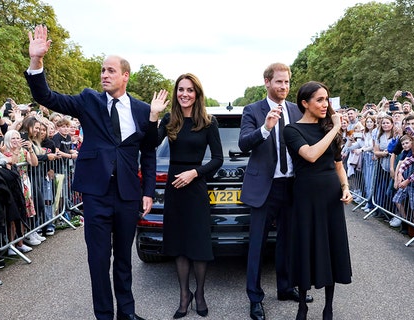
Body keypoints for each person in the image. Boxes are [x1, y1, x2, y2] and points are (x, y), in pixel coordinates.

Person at [25, 25, 163, 320]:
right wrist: (36, 62)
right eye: (102, 70)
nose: (104, 74)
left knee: (124, 260)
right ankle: (104, 316)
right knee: (99, 261)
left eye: (111, 70)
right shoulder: (89, 100)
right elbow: (49, 97)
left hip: (128, 194)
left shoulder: (141, 110)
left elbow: (148, 152)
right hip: (97, 194)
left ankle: (127, 313)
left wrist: (148, 191)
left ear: (125, 75)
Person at [238, 62, 311, 320]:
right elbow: (244, 143)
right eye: (279, 82)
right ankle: (255, 298)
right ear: (267, 82)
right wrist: (266, 128)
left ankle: (285, 287)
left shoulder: (295, 109)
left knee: (288, 241)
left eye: (287, 82)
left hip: (291, 185)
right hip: (264, 188)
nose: (284, 87)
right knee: (257, 245)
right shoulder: (252, 110)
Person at [151, 73, 222, 319]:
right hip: (174, 188)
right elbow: (149, 144)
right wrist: (154, 116)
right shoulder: (170, 119)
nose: (185, 94)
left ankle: (199, 294)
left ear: (197, 94)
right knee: (180, 245)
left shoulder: (209, 122)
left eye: (190, 90)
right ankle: (184, 295)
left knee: (198, 244)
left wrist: (194, 173)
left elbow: (217, 159)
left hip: (195, 187)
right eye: (181, 89)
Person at [283, 81, 352, 320]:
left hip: (330, 196)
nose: (325, 105)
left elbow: (338, 166)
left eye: (327, 99)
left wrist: (346, 187)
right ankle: (302, 305)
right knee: (306, 247)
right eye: (320, 100)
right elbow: (311, 155)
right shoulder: (292, 130)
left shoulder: (327, 128)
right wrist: (334, 128)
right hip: (305, 196)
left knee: (331, 247)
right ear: (305, 103)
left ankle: (328, 307)